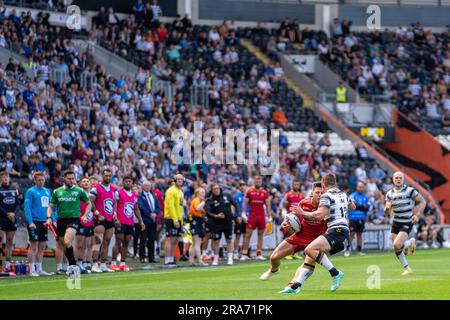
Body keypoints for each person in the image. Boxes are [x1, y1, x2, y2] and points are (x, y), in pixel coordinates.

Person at [283, 173, 356, 293]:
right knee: (311, 257)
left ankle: (335, 273)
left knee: (309, 250)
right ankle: (295, 286)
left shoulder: (326, 196)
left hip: (337, 230)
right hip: (344, 234)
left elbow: (319, 215)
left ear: (323, 184)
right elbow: (353, 206)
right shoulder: (343, 194)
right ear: (335, 183)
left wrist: (302, 213)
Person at [260, 182, 325, 282]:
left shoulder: (325, 208)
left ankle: (293, 285)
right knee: (274, 257)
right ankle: (274, 270)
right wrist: (286, 223)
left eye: (322, 193)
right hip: (300, 235)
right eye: (317, 192)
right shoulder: (303, 203)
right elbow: (292, 215)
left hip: (315, 241)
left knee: (307, 265)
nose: (320, 195)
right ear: (312, 193)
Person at [47, 170, 92, 278]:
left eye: (73, 178)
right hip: (61, 220)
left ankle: (72, 267)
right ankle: (75, 265)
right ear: (64, 178)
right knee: (64, 245)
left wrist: (85, 215)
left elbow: (89, 203)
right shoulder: (57, 192)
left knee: (67, 241)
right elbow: (51, 206)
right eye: (69, 178)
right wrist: (49, 217)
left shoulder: (79, 191)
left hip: (74, 220)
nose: (72, 180)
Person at [385, 172, 426, 275]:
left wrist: (417, 215)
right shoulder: (389, 194)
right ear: (393, 179)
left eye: (400, 178)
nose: (398, 179)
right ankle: (407, 269)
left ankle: (410, 242)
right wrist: (387, 209)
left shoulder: (410, 191)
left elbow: (422, 202)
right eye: (396, 178)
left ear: (403, 179)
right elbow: (387, 212)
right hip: (395, 222)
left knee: (397, 244)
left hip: (406, 221)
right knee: (396, 248)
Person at [110, 176, 145, 271]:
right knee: (118, 241)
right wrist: (115, 217)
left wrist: (141, 221)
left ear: (132, 183)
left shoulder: (134, 195)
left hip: (130, 222)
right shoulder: (118, 193)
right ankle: (113, 263)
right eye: (126, 181)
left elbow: (136, 208)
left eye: (129, 182)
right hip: (120, 221)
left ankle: (122, 263)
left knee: (126, 242)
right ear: (123, 183)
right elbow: (115, 205)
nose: (128, 183)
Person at [24, 172, 53, 276]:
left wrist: (52, 219)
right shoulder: (30, 191)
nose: (41, 181)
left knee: (42, 247)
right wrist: (30, 222)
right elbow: (27, 207)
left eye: (43, 179)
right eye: (39, 180)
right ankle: (32, 270)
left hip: (44, 221)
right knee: (33, 246)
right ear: (35, 180)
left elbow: (50, 207)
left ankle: (39, 269)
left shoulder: (47, 191)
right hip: (34, 222)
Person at [90, 168, 117, 273]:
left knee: (107, 242)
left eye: (110, 176)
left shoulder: (113, 189)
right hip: (100, 219)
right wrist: (97, 213)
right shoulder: (96, 188)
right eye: (106, 176)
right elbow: (90, 201)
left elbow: (113, 203)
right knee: (98, 241)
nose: (108, 177)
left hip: (110, 219)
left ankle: (104, 264)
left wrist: (114, 214)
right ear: (102, 176)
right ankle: (95, 264)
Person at [205, 184, 238, 266]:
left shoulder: (227, 195)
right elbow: (208, 212)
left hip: (228, 222)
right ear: (212, 191)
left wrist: (236, 215)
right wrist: (216, 216)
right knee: (216, 241)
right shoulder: (210, 200)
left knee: (229, 240)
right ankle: (215, 259)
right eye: (214, 188)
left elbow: (236, 204)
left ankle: (230, 258)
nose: (216, 190)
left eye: (217, 188)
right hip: (217, 223)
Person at [240, 175, 272, 260]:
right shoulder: (249, 191)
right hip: (252, 215)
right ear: (254, 181)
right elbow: (244, 203)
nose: (258, 182)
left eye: (259, 181)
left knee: (260, 234)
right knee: (248, 234)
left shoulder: (264, 192)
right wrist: (243, 214)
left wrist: (269, 216)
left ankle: (259, 254)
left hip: (261, 215)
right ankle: (244, 253)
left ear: (261, 182)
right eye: (256, 181)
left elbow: (268, 205)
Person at [0, 171, 21, 273]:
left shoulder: (14, 190)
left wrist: (13, 213)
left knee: (9, 242)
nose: (6, 178)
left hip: (12, 219)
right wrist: (7, 214)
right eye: (3, 177)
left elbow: (18, 204)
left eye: (7, 177)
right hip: (2, 218)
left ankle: (7, 266)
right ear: (0, 179)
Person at [137, 180, 161, 263]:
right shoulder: (140, 195)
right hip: (145, 220)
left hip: (153, 220)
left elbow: (158, 206)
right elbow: (141, 207)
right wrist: (150, 214)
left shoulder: (153, 195)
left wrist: (155, 213)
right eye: (146, 185)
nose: (147, 187)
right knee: (143, 239)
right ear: (143, 186)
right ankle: (142, 257)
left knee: (152, 239)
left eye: (149, 185)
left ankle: (151, 257)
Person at [164, 174, 185, 265]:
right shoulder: (171, 191)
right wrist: (175, 219)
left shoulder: (180, 191)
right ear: (175, 180)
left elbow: (180, 207)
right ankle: (167, 259)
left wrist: (181, 220)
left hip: (178, 218)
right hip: (171, 218)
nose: (180, 180)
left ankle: (171, 258)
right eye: (178, 179)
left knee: (176, 239)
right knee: (170, 239)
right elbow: (170, 206)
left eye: (181, 179)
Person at [345, 182, 370, 256]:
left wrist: (359, 206)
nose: (360, 188)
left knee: (360, 234)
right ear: (356, 187)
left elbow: (367, 208)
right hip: (353, 218)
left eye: (362, 187)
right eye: (359, 187)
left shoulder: (366, 197)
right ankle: (347, 250)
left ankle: (359, 251)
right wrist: (362, 206)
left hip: (362, 218)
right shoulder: (352, 196)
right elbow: (354, 206)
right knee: (351, 234)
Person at [281, 180, 304, 260]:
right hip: (290, 218)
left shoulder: (301, 196)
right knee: (288, 236)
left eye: (298, 184)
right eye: (295, 185)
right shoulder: (288, 195)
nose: (296, 186)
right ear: (292, 185)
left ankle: (294, 253)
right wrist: (284, 213)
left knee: (298, 237)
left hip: (299, 219)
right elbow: (284, 205)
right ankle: (285, 253)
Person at [75, 177, 95, 273]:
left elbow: (92, 208)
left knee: (88, 244)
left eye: (88, 181)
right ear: (80, 184)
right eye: (84, 181)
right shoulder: (79, 193)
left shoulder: (91, 195)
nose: (86, 183)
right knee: (79, 244)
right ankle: (77, 263)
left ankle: (86, 263)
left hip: (90, 221)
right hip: (81, 221)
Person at [188, 187, 208, 266]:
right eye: (202, 192)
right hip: (195, 221)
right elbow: (197, 208)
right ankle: (200, 261)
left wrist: (204, 217)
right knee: (197, 243)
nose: (204, 194)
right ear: (197, 193)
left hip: (197, 221)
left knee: (194, 243)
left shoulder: (198, 201)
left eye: (204, 192)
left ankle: (191, 261)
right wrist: (204, 202)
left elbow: (200, 211)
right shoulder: (196, 200)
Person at [232, 181, 247, 259]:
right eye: (241, 185)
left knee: (246, 236)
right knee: (238, 235)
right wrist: (236, 216)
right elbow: (233, 207)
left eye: (244, 185)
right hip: (239, 217)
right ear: (239, 187)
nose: (242, 186)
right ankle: (235, 253)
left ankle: (244, 253)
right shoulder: (235, 196)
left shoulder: (248, 196)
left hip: (247, 217)